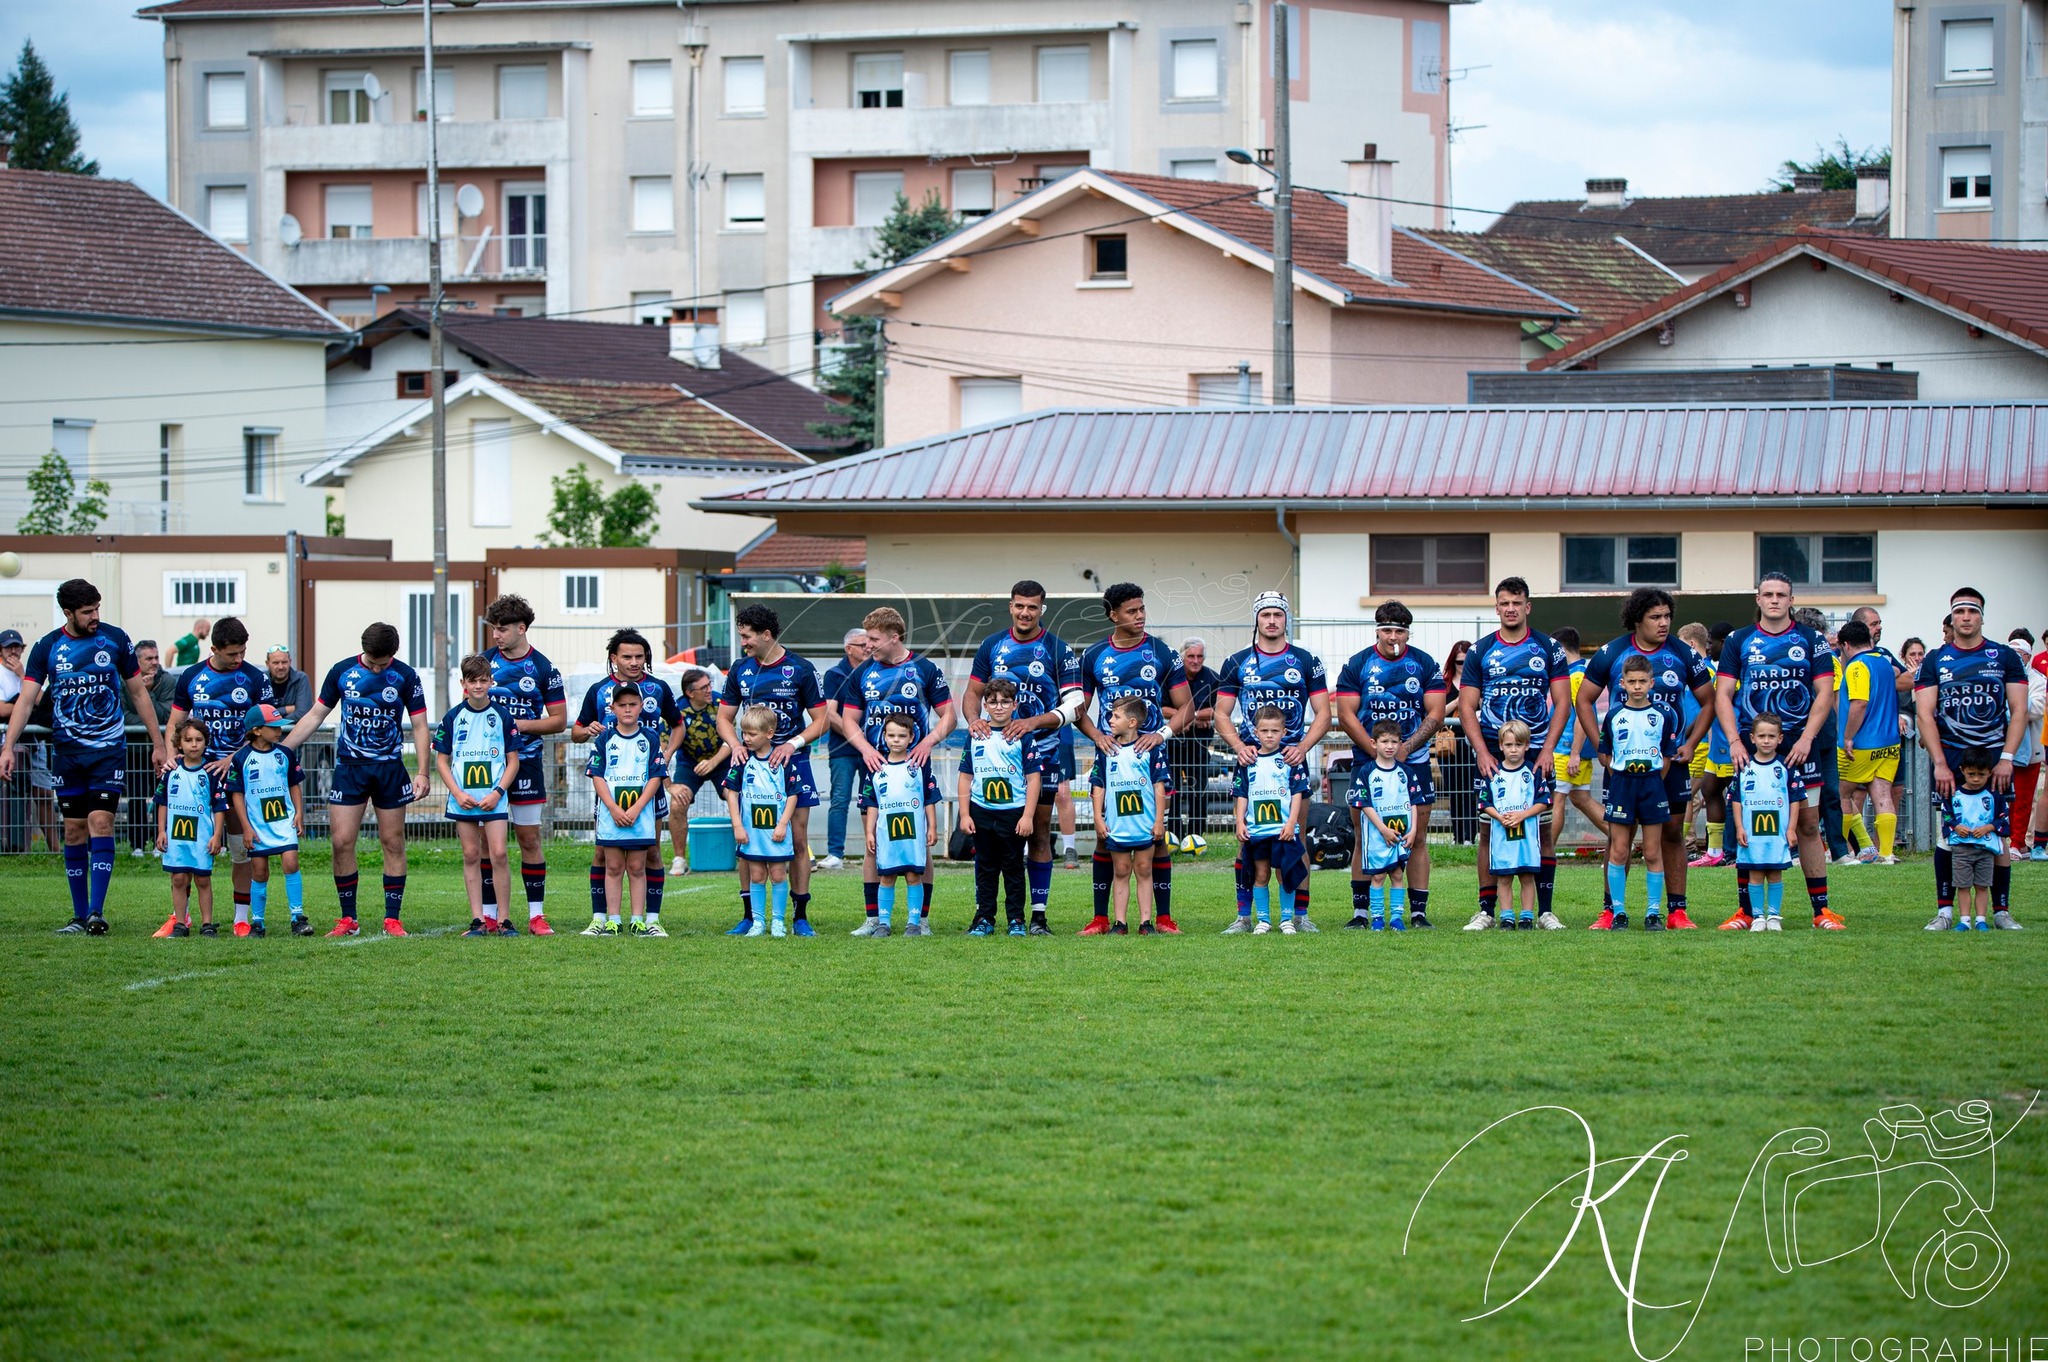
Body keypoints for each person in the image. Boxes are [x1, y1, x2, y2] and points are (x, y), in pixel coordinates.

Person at [0, 579, 167, 933]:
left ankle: (96, 913)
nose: (95, 616)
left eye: (97, 609)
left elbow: (138, 694)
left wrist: (159, 743)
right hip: (68, 753)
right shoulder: (47, 647)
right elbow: (27, 701)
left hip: (107, 750)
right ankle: (78, 916)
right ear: (68, 613)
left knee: (101, 822)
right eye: (87, 611)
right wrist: (7, 748)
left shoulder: (115, 639)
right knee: (73, 830)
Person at [280, 621, 431, 938]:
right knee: (341, 841)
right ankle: (348, 919)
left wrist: (421, 771)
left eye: (383, 663)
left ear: (393, 654)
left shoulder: (405, 675)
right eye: (372, 662)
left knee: (392, 841)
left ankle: (392, 919)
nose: (377, 668)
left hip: (389, 768)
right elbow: (315, 715)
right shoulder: (341, 672)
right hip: (350, 768)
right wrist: (282, 749)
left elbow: (419, 726)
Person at [1576, 589, 1716, 929]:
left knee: (1672, 833)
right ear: (1637, 619)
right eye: (1656, 617)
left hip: (1670, 765)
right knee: (1618, 838)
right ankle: (1611, 911)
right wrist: (1601, 748)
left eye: (1668, 616)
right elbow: (1584, 700)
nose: (1664, 623)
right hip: (1623, 770)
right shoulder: (1612, 652)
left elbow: (1709, 701)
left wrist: (1692, 743)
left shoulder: (1683, 653)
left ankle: (1676, 912)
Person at [1713, 574, 1842, 931]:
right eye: (1767, 594)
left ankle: (1821, 911)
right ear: (1758, 598)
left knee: (1809, 824)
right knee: (1749, 826)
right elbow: (1723, 694)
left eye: (1780, 595)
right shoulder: (1739, 640)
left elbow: (1825, 692)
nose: (1774, 600)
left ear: (1791, 600)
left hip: (1800, 744)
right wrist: (1735, 742)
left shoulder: (1811, 639)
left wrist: (1806, 739)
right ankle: (1746, 912)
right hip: (1752, 744)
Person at [961, 580, 1085, 931]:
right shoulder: (992, 645)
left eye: (1032, 607)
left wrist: (1031, 722)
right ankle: (989, 913)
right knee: (990, 843)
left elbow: (1075, 704)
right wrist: (973, 722)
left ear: (1041, 609)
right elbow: (972, 692)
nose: (1025, 612)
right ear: (1010, 606)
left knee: (1039, 833)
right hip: (996, 754)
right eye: (1019, 606)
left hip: (1042, 753)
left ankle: (1037, 916)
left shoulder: (1058, 649)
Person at [1456, 577, 1571, 930]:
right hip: (1493, 749)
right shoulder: (1480, 651)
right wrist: (1480, 751)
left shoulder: (1548, 648)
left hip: (1535, 751)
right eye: (1504, 603)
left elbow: (1563, 702)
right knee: (1489, 831)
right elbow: (1466, 705)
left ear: (1527, 606)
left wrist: (1548, 750)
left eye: (1516, 603)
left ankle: (1545, 911)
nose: (1510, 609)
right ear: (1496, 607)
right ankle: (1487, 911)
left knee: (1541, 830)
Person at [1077, 583, 1191, 934]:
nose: (1140, 616)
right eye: (1131, 611)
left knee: (1155, 836)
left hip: (1149, 758)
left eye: (1142, 609)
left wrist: (1162, 734)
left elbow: (1187, 707)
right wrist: (1097, 736)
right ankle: (1101, 918)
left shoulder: (1162, 652)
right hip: (1110, 757)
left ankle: (1162, 917)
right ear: (1113, 614)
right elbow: (1077, 708)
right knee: (1105, 835)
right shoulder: (1094, 655)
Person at [1914, 586, 2029, 930]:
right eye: (1960, 612)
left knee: (2000, 837)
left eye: (1973, 611)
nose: (1966, 617)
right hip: (1950, 760)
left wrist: (2007, 757)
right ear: (1952, 616)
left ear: (1982, 615)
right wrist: (1939, 764)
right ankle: (1946, 912)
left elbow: (2019, 709)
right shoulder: (1936, 659)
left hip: (1994, 760)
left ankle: (2000, 911)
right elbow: (1924, 714)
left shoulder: (2003, 656)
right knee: (1949, 834)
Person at [1213, 591, 1331, 925]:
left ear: (1285, 620)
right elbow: (1222, 714)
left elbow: (1323, 713)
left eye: (1278, 615)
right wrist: (1238, 746)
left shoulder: (1306, 660)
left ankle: (1300, 915)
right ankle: (1243, 916)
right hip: (1251, 763)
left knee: (1296, 836)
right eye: (1265, 615)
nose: (1272, 621)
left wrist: (1303, 747)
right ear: (1257, 619)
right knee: (1246, 838)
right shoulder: (1237, 662)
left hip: (1291, 761)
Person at [716, 604, 831, 934]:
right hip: (751, 764)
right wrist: (736, 746)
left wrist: (791, 744)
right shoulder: (740, 669)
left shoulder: (800, 669)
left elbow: (821, 720)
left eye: (747, 636)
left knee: (796, 839)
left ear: (766, 635)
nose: (743, 643)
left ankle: (799, 916)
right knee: (748, 840)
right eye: (741, 636)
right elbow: (724, 718)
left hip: (792, 763)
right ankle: (750, 916)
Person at [841, 606, 955, 935]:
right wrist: (865, 749)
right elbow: (849, 719)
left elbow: (949, 716)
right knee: (874, 842)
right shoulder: (862, 673)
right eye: (865, 641)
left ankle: (921, 920)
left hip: (914, 771)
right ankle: (874, 918)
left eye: (874, 640)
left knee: (920, 845)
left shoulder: (924, 669)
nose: (868, 646)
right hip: (877, 770)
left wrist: (927, 743)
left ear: (894, 637)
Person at [1334, 601, 1445, 929]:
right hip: (1366, 763)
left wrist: (1406, 747)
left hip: (1415, 762)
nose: (1392, 636)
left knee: (1417, 837)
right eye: (1386, 630)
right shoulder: (1358, 664)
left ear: (1408, 632)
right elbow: (1345, 714)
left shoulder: (1424, 663)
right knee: (1362, 833)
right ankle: (1361, 912)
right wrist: (1374, 749)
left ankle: (1417, 912)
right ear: (1377, 630)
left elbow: (1436, 714)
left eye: (1399, 630)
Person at [168, 616, 275, 929]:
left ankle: (241, 920)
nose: (238, 659)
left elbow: (266, 728)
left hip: (241, 772)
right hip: (197, 774)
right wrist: (172, 757)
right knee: (189, 846)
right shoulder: (191, 675)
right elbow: (176, 722)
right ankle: (181, 918)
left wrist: (233, 757)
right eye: (232, 654)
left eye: (242, 652)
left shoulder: (256, 678)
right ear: (214, 648)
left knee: (241, 846)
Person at [572, 630, 681, 934]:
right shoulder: (599, 690)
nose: (634, 662)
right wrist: (587, 729)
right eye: (627, 657)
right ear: (613, 658)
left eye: (639, 657)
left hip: (648, 783)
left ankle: (650, 920)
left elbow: (678, 725)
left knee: (652, 851)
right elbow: (576, 732)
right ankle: (601, 918)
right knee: (602, 854)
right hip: (611, 784)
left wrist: (667, 753)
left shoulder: (658, 688)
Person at [481, 595, 568, 934]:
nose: (496, 636)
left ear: (522, 628)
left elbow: (559, 721)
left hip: (527, 764)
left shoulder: (544, 668)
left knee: (529, 839)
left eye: (502, 629)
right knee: (490, 844)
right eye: (493, 629)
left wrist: (516, 725)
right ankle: (489, 917)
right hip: (487, 768)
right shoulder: (484, 663)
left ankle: (536, 915)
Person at [434, 655, 521, 938]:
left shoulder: (503, 716)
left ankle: (504, 920)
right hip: (464, 801)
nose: (479, 685)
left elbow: (513, 761)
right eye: (473, 681)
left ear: (491, 682)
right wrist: (457, 793)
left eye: (484, 680)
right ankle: (477, 920)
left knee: (498, 853)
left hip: (493, 799)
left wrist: (498, 792)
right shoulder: (453, 717)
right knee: (471, 854)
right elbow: (442, 762)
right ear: (463, 684)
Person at [1592, 655, 1681, 931]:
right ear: (1622, 684)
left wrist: (1651, 779)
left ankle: (1653, 913)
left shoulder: (1663, 716)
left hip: (1652, 785)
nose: (1638, 686)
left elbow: (1666, 759)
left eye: (1643, 681)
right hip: (1622, 786)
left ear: (1652, 683)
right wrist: (1622, 776)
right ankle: (1618, 912)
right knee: (1619, 850)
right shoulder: (1614, 716)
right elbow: (1604, 756)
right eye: (1632, 681)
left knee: (1653, 851)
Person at [958, 678, 1045, 937]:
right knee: (985, 867)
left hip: (1013, 812)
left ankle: (1016, 919)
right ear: (984, 704)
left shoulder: (1022, 736)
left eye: (1005, 702)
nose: (999, 707)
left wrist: (1028, 815)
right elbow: (965, 775)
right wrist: (964, 814)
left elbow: (1033, 778)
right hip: (981, 811)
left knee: (1013, 867)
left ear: (1015, 704)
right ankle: (985, 918)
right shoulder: (975, 734)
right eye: (993, 702)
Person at [585, 682, 666, 937]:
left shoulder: (650, 738)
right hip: (612, 816)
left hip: (640, 816)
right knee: (613, 867)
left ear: (642, 707)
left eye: (633, 704)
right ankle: (613, 920)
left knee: (637, 867)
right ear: (612, 708)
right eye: (622, 705)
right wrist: (613, 808)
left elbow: (656, 776)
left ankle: (638, 920)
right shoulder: (605, 739)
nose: (628, 709)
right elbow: (597, 775)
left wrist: (637, 808)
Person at [1225, 706, 1310, 935]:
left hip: (1283, 830)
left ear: (1284, 731)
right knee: (1261, 874)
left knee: (1285, 874)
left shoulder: (1290, 759)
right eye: (1264, 730)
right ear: (1255, 732)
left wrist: (1292, 823)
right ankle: (1263, 920)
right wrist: (1240, 822)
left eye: (1275, 730)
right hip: (1258, 831)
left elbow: (1297, 794)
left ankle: (1286, 920)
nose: (1269, 735)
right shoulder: (1248, 760)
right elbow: (1241, 794)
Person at [225, 703, 307, 937]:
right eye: (274, 727)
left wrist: (299, 812)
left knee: (291, 863)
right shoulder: (242, 758)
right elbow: (237, 794)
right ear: (257, 730)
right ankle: (258, 922)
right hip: (257, 825)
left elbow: (294, 784)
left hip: (284, 821)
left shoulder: (285, 754)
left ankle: (297, 917)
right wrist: (246, 828)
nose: (280, 731)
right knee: (259, 872)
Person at [1090, 695, 1170, 935]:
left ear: (1133, 722)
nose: (1110, 720)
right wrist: (1098, 818)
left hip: (1144, 825)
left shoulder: (1149, 750)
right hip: (1117, 826)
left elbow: (1159, 787)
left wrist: (1158, 820)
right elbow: (1098, 786)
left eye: (1116, 716)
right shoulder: (1106, 750)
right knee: (1121, 871)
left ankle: (1146, 922)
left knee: (1145, 870)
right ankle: (1120, 922)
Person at [861, 713, 941, 937]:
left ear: (911, 738)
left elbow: (929, 799)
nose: (896, 740)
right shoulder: (877, 768)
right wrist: (869, 831)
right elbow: (872, 803)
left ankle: (914, 923)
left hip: (913, 833)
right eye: (891, 735)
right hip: (887, 834)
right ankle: (883, 923)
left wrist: (932, 827)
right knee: (886, 876)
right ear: (884, 736)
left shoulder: (919, 765)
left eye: (902, 736)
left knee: (913, 875)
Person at [725, 706, 799, 936]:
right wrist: (737, 825)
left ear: (769, 733)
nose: (746, 738)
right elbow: (731, 793)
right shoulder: (741, 760)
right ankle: (758, 922)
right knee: (756, 875)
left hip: (776, 832)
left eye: (751, 734)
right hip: (751, 832)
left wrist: (783, 823)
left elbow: (793, 794)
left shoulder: (783, 761)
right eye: (743, 733)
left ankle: (778, 921)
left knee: (778, 875)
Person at [1834, 620, 1901, 865]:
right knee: (1882, 795)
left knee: (1840, 794)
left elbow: (1859, 703)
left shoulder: (1856, 667)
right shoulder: (1884, 663)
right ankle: (1885, 854)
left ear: (1846, 645)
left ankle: (1839, 851)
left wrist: (1849, 736)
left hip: (1862, 744)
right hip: (1890, 742)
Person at [1792, 606, 1854, 866]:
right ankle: (1794, 851)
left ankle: (1839, 851)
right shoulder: (1789, 656)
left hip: (1825, 734)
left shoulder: (1828, 659)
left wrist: (1842, 735)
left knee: (1831, 792)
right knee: (1795, 794)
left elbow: (1835, 696)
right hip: (1795, 732)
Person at [153, 718, 227, 937]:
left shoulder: (211, 772)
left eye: (199, 739)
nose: (194, 744)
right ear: (179, 743)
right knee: (178, 878)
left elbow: (220, 806)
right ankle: (180, 923)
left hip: (202, 836)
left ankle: (207, 924)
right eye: (188, 740)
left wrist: (216, 835)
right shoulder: (171, 771)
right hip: (176, 836)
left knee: (202, 879)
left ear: (206, 743)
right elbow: (162, 802)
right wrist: (161, 830)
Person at [1346, 720, 1421, 931]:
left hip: (1401, 833)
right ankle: (1377, 917)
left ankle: (1396, 917)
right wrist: (1383, 829)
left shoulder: (1406, 772)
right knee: (1378, 876)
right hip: (1377, 834)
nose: (1389, 746)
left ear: (1400, 744)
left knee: (1398, 874)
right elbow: (1364, 804)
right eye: (1385, 741)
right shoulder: (1367, 772)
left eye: (1394, 742)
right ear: (1373, 743)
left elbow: (1414, 801)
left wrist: (1413, 829)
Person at [1731, 714, 1802, 932]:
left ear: (1780, 739)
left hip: (1777, 832)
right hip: (1752, 833)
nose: (1766, 740)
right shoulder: (1744, 767)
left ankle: (1773, 916)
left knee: (1774, 873)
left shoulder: (1786, 767)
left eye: (1771, 736)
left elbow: (1796, 799)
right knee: (1754, 873)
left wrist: (1791, 828)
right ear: (1752, 738)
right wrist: (1739, 827)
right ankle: (1758, 917)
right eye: (1761, 736)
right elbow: (1736, 799)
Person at [1477, 720, 1547, 928]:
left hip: (1526, 836)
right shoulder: (1494, 774)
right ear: (1500, 746)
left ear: (1527, 746)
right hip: (1502, 837)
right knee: (1504, 879)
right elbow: (1484, 802)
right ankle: (1506, 917)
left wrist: (1522, 815)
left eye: (1518, 744)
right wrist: (1499, 817)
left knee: (1527, 876)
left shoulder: (1533, 772)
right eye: (1509, 745)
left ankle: (1527, 916)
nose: (1513, 749)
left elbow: (1544, 802)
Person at [1549, 626, 1611, 853]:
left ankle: (1545, 855)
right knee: (1580, 798)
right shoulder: (1584, 671)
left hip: (1566, 749)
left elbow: (1581, 717)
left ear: (1560, 649)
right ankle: (1621, 838)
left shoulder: (1575, 676)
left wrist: (1574, 752)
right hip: (1576, 750)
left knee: (1556, 799)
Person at [665, 667, 732, 877]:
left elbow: (732, 741)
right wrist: (670, 786)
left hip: (721, 760)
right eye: (703, 687)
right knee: (677, 803)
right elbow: (661, 753)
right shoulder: (675, 711)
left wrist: (713, 762)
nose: (709, 690)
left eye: (710, 684)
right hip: (689, 764)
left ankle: (747, 852)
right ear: (690, 693)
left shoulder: (721, 703)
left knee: (737, 796)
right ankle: (679, 859)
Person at [1937, 751, 2009, 932]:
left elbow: (2003, 819)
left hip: (1986, 850)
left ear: (1990, 773)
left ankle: (1981, 920)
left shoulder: (1994, 796)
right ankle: (1964, 921)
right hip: (1961, 850)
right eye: (1971, 774)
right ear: (1962, 771)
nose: (1976, 779)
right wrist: (1955, 826)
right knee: (1963, 886)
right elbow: (1947, 815)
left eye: (1981, 774)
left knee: (1982, 886)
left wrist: (1988, 828)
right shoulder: (1954, 795)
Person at [818, 627, 871, 870]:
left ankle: (875, 851)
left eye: (870, 643)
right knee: (839, 799)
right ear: (849, 648)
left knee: (871, 800)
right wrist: (856, 736)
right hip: (843, 749)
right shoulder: (835, 674)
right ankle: (835, 855)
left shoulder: (875, 670)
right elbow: (829, 713)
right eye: (863, 644)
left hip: (874, 749)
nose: (868, 647)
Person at [122, 639, 178, 857]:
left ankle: (161, 842)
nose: (155, 662)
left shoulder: (167, 681)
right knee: (136, 797)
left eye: (156, 657)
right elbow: (123, 716)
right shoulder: (123, 681)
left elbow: (166, 716)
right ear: (137, 661)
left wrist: (148, 693)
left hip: (162, 749)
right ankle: (137, 845)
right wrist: (149, 723)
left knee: (162, 796)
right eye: (149, 658)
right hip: (135, 750)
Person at [1166, 636, 1222, 846]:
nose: (1196, 660)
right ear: (1182, 657)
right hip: (1172, 744)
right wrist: (1186, 718)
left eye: (1200, 656)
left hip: (1199, 745)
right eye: (1191, 656)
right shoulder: (1171, 676)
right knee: (1172, 789)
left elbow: (1219, 710)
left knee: (1199, 788)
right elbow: (1161, 707)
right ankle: (1172, 835)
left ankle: (1196, 836)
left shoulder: (1213, 679)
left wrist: (1190, 716)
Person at [2003, 628, 2043, 858]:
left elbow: (2037, 709)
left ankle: (2019, 843)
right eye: (2013, 652)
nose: (2017, 657)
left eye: (2021, 653)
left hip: (2030, 752)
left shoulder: (2038, 680)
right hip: (2004, 748)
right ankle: (2006, 840)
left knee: (2024, 799)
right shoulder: (2001, 676)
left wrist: (2015, 705)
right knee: (2005, 797)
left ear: (2028, 656)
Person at [1438, 639, 1478, 846]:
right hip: (1450, 745)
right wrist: (1458, 701)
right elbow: (1436, 714)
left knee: (1472, 791)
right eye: (1459, 662)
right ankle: (1458, 837)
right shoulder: (1444, 684)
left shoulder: (1478, 681)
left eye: (1466, 661)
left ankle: (1470, 836)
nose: (1463, 666)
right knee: (1455, 792)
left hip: (1474, 743)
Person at [264, 645, 314, 722]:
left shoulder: (300, 679)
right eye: (276, 663)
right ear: (267, 664)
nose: (280, 667)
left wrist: (274, 722)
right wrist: (286, 709)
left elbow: (303, 713)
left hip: (294, 732)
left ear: (290, 662)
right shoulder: (261, 680)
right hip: (266, 734)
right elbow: (259, 715)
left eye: (284, 662)